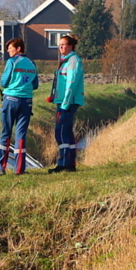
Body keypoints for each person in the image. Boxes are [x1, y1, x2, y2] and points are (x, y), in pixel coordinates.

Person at [0, 38, 39, 176]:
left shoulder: (12, 62)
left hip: (11, 99)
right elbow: (35, 85)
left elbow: (4, 82)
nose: (8, 51)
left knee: (5, 134)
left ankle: (1, 168)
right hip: (26, 101)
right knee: (21, 136)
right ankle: (19, 169)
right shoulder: (32, 63)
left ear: (19, 48)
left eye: (10, 48)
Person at [47, 34, 85, 173]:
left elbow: (71, 83)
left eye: (63, 44)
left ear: (71, 46)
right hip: (62, 100)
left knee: (61, 132)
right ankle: (68, 163)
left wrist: (65, 103)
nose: (61, 47)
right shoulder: (66, 60)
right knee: (65, 131)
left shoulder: (73, 61)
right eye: (59, 45)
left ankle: (64, 164)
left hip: (68, 102)